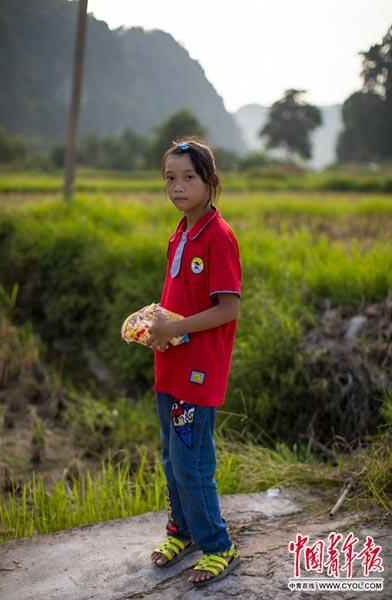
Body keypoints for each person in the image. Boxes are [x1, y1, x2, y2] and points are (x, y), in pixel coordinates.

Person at [147, 138, 242, 588]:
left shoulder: (218, 237)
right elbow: (175, 301)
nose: (178, 187)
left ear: (209, 181)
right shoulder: (180, 233)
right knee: (171, 456)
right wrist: (157, 325)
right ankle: (180, 531)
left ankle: (218, 545)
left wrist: (175, 325)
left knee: (192, 460)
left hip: (198, 371)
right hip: (170, 365)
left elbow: (228, 309)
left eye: (188, 177)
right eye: (170, 178)